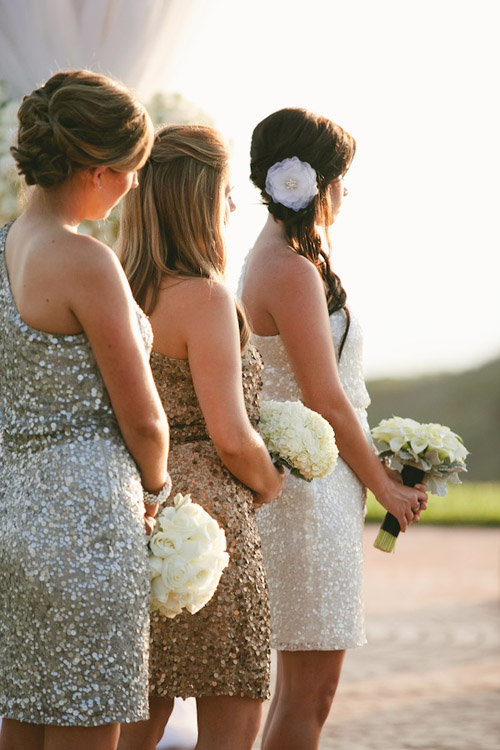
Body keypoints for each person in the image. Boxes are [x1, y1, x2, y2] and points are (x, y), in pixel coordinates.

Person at [238, 107, 428, 750]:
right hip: (310, 500)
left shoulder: (282, 260)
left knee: (298, 692)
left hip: (318, 487)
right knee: (310, 695)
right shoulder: (289, 270)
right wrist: (385, 486)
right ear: (312, 181)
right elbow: (324, 395)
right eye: (342, 177)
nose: (347, 192)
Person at [0, 70, 170, 750]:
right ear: (98, 170)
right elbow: (145, 419)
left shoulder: (8, 245)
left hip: (14, 520)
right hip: (88, 527)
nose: (133, 185)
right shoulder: (86, 261)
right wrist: (159, 491)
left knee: (21, 724)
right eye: (131, 170)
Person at [116, 124, 285, 750]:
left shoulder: (121, 290)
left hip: (145, 520)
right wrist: (270, 483)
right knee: (233, 714)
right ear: (196, 199)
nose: (233, 205)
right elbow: (232, 438)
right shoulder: (207, 299)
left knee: (135, 720)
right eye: (224, 192)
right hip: (213, 529)